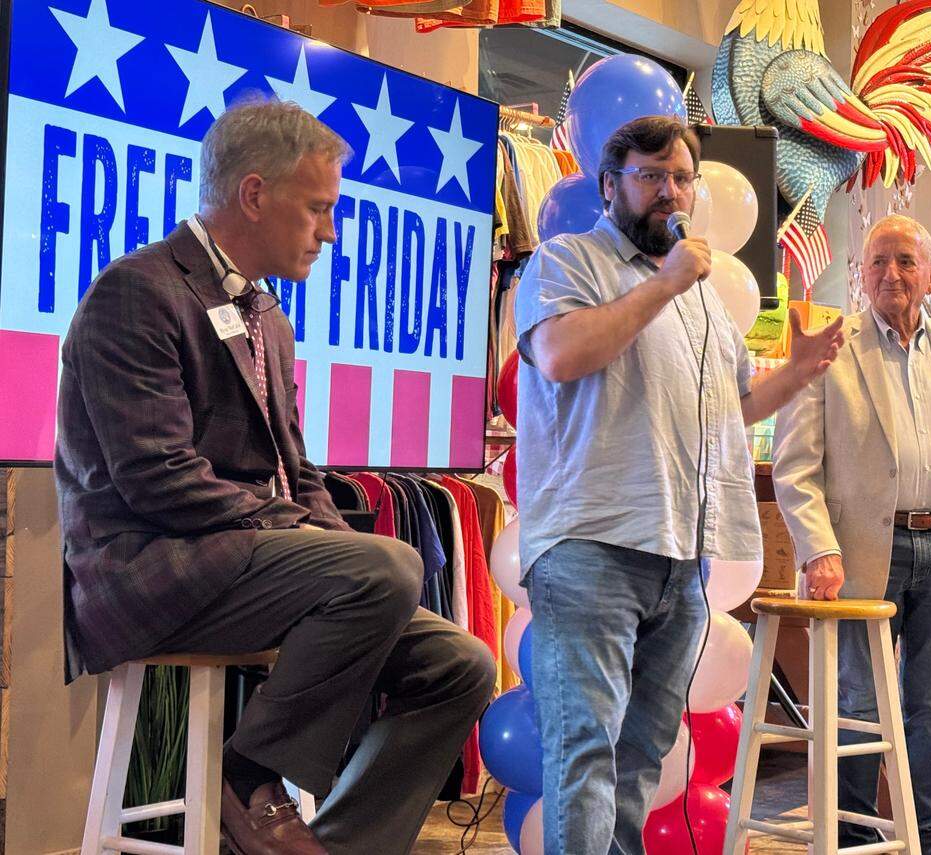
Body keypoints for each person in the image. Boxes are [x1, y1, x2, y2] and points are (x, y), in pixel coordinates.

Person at [55, 98, 496, 855]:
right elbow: (156, 479)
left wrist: (316, 523)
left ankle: (333, 841)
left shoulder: (268, 316)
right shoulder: (138, 291)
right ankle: (251, 778)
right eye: (319, 208)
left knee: (463, 662)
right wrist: (303, 529)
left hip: (238, 563)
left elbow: (297, 471)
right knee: (383, 562)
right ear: (254, 194)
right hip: (148, 569)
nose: (330, 231)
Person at [513, 115, 844, 854]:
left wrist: (799, 370)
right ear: (609, 186)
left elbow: (734, 407)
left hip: (681, 555)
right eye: (651, 176)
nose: (671, 192)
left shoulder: (699, 296)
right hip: (589, 545)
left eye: (682, 177)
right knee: (585, 755)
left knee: (640, 758)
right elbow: (562, 354)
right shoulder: (568, 261)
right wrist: (663, 284)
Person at [772, 214, 931, 854]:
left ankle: (928, 841)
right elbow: (796, 466)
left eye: (906, 261)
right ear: (860, 272)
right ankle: (855, 839)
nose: (891, 274)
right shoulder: (829, 347)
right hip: (859, 555)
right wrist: (818, 547)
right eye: (878, 261)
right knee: (855, 702)